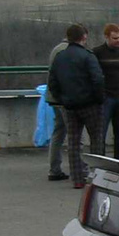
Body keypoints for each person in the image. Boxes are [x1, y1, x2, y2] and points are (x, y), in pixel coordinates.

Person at [47, 23, 106, 188]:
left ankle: (77, 179)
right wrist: (99, 99)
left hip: (69, 106)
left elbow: (53, 82)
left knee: (73, 142)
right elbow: (97, 79)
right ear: (84, 37)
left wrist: (62, 99)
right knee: (96, 140)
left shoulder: (60, 57)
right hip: (90, 105)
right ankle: (97, 176)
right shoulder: (88, 56)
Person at [92, 23, 119, 160]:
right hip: (105, 97)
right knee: (100, 133)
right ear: (106, 37)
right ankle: (100, 162)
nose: (118, 41)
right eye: (114, 38)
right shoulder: (97, 52)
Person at [43, 33, 71, 180]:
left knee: (58, 133)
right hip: (63, 99)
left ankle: (54, 168)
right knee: (73, 135)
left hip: (53, 98)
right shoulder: (68, 51)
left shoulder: (57, 49)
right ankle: (78, 170)